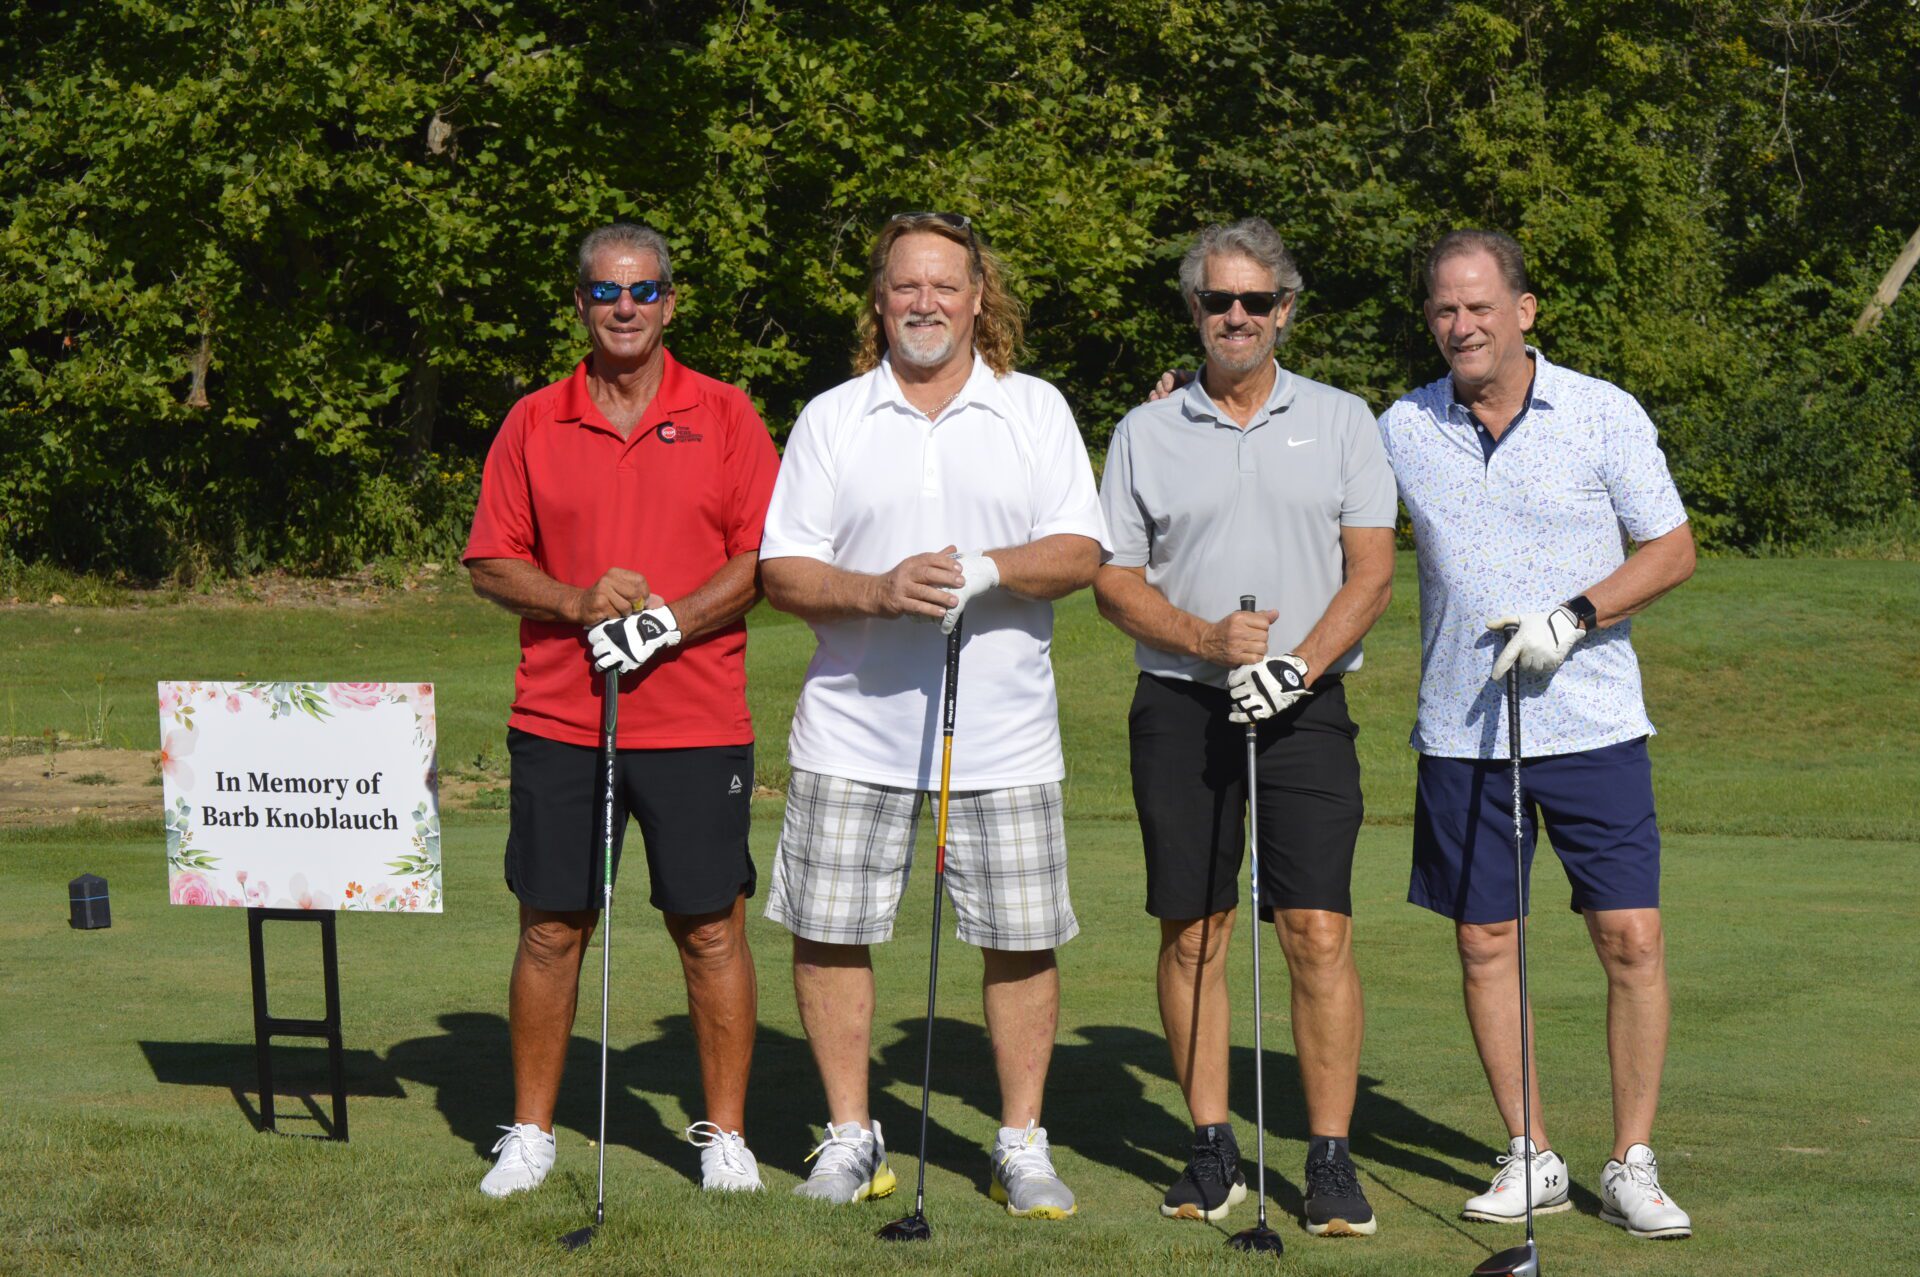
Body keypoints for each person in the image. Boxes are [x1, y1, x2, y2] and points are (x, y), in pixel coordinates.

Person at [757, 212, 1107, 1219]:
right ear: (880, 299)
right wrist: (878, 590)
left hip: (1003, 733)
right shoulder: (834, 416)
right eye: (906, 286)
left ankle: (1020, 1143)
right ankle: (849, 1135)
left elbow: (1080, 549)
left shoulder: (1033, 408)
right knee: (830, 930)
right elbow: (783, 568)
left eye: (945, 285)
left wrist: (987, 569)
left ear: (977, 297)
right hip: (851, 726)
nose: (925, 303)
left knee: (1019, 938)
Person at [1375, 228, 1696, 1240]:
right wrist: (1191, 406)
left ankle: (1632, 1160)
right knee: (1485, 942)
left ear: (1524, 310)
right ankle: (1532, 1152)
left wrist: (1575, 615)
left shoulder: (1601, 411)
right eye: (1443, 309)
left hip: (1593, 721)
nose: (1461, 325)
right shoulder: (1402, 425)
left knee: (1630, 937)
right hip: (1463, 730)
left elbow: (1672, 547)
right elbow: (1319, 497)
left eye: (1479, 306)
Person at [462, 222, 779, 1198]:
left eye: (643, 290)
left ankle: (725, 1137)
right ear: (581, 304)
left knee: (711, 929)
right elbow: (491, 558)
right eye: (606, 291)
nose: (626, 307)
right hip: (563, 718)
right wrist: (577, 602)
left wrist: (669, 623)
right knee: (552, 929)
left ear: (670, 302)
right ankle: (530, 1133)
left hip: (696, 721)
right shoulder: (534, 420)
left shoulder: (725, 413)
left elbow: (763, 557)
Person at [1098, 218, 1398, 1235]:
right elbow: (1113, 580)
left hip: (1306, 706)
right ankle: (1211, 1144)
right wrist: (1206, 638)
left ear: (1286, 309)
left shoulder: (1343, 419)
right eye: (1218, 299)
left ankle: (1329, 1156)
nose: (1237, 316)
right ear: (1194, 308)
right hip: (1181, 701)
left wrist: (1294, 667)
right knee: (1195, 929)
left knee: (1317, 928)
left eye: (1256, 300)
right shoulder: (1144, 431)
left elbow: (1372, 573)